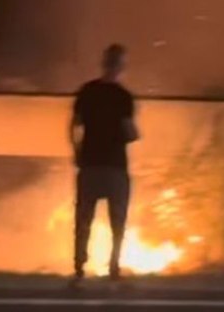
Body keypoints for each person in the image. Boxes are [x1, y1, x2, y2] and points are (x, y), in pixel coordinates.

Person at [70, 43, 139, 283]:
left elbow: (74, 125)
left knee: (83, 218)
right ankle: (113, 266)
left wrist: (76, 150)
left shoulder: (87, 91)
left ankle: (79, 265)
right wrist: (133, 134)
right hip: (114, 167)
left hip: (89, 164)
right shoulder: (123, 97)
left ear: (103, 63)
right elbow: (129, 131)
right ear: (121, 66)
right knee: (117, 221)